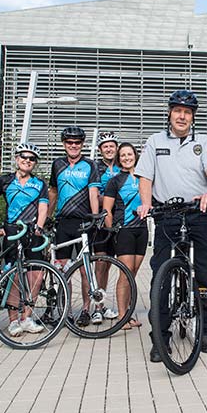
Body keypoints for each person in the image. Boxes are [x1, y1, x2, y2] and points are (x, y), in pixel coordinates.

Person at [135, 89, 207, 361]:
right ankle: (160, 337)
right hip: (166, 214)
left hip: (199, 211)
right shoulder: (154, 141)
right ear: (170, 113)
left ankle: (205, 331)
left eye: (188, 112)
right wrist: (146, 203)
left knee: (205, 273)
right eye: (178, 111)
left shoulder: (204, 142)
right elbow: (145, 177)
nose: (182, 116)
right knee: (160, 276)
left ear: (192, 117)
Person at [0, 142, 49, 337]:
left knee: (36, 275)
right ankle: (12, 321)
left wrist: (40, 226)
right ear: (17, 159)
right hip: (12, 230)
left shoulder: (40, 184)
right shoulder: (5, 181)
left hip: (33, 231)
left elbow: (43, 207)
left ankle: (26, 317)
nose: (27, 161)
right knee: (14, 275)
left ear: (35, 163)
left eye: (31, 159)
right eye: (24, 157)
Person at [48, 126, 102, 327]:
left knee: (85, 269)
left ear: (82, 145)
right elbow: (53, 192)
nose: (73, 146)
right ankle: (66, 310)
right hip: (63, 222)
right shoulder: (57, 164)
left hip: (83, 222)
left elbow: (93, 192)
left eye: (77, 143)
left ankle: (86, 310)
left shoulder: (90, 165)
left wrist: (95, 217)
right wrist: (47, 216)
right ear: (64, 144)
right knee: (62, 268)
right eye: (69, 142)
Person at [102, 142, 148, 329]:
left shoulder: (144, 177)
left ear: (135, 155)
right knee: (125, 272)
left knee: (133, 273)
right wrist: (112, 230)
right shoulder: (115, 181)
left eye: (129, 154)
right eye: (123, 155)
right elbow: (107, 209)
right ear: (119, 159)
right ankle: (122, 316)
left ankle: (128, 312)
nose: (127, 158)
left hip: (142, 230)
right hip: (125, 230)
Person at [93, 131, 121, 322]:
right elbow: (94, 195)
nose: (109, 149)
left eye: (112, 145)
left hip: (120, 219)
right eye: (105, 146)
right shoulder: (95, 167)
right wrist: (109, 199)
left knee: (111, 264)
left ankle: (105, 304)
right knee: (100, 265)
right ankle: (97, 306)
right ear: (100, 149)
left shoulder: (122, 166)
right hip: (102, 222)